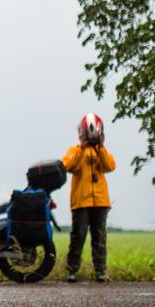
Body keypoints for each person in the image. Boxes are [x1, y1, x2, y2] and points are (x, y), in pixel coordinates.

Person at [62, 112, 117, 283]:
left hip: (100, 201)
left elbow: (110, 166)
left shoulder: (101, 151)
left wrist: (100, 147)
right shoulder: (74, 150)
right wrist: (82, 148)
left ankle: (100, 271)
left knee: (99, 237)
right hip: (81, 201)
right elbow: (67, 166)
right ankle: (72, 271)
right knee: (78, 236)